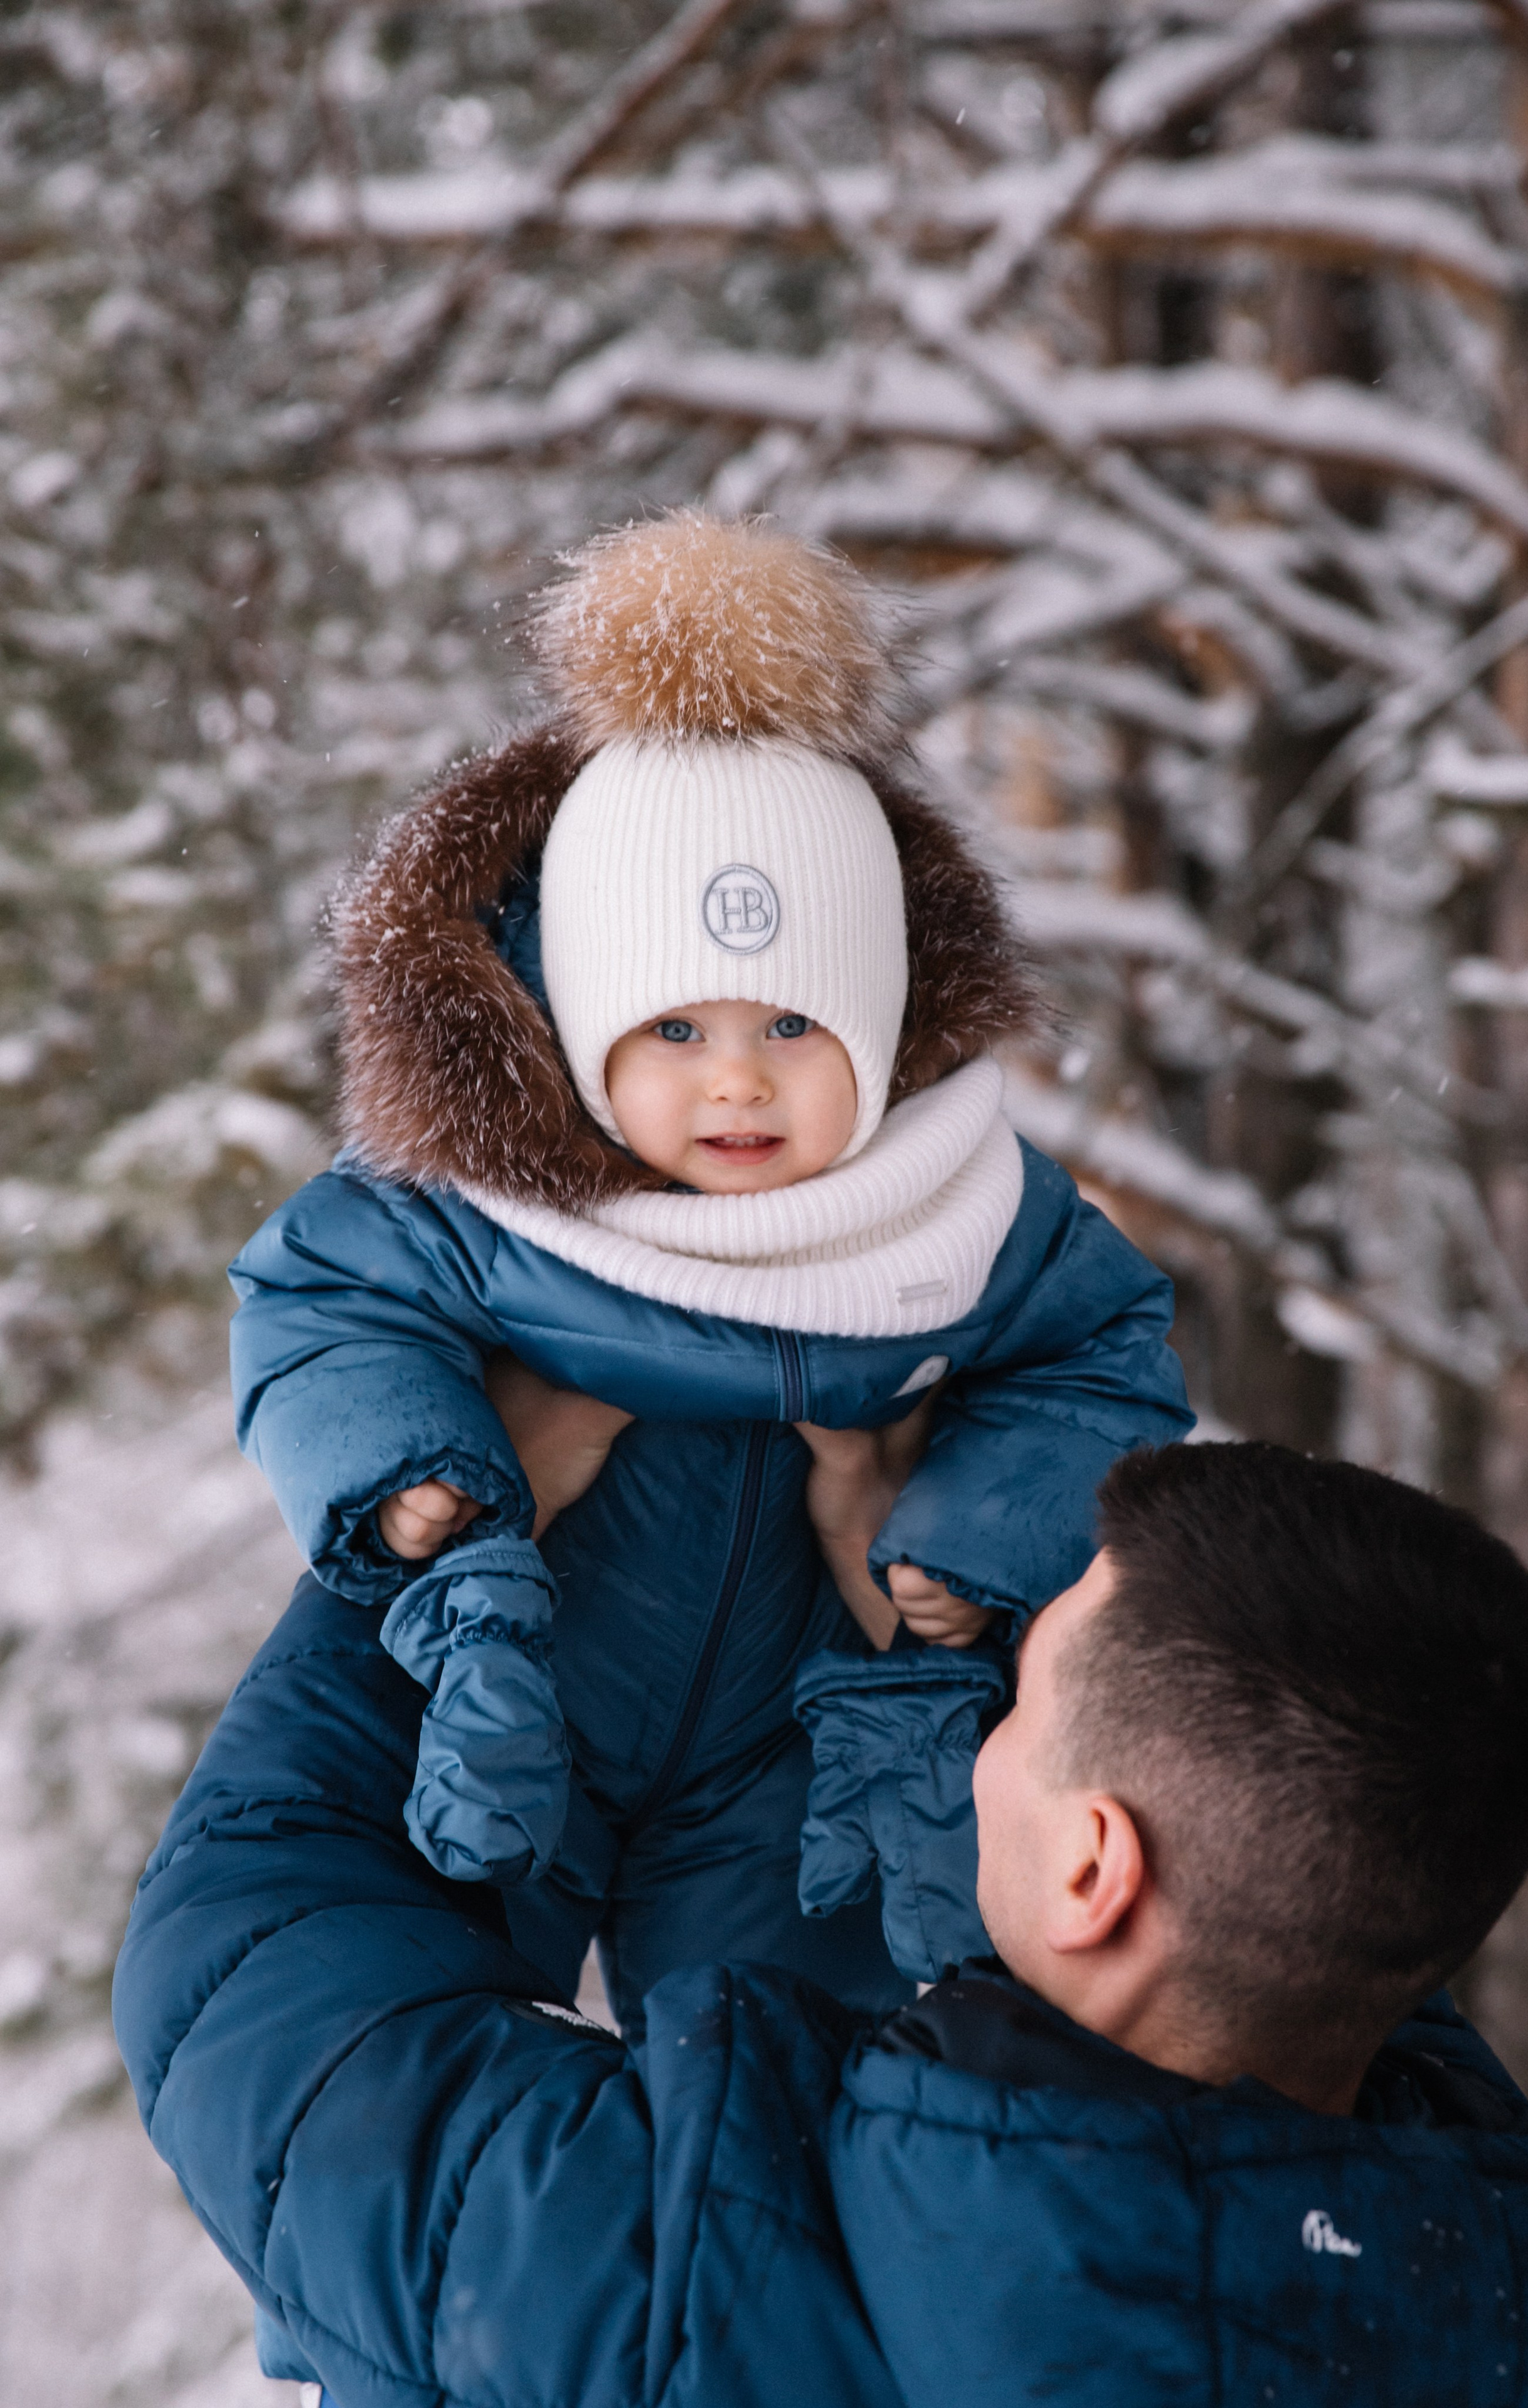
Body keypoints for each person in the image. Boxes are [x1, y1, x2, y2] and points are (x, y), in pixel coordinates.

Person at [226, 511, 1192, 2034]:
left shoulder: (956, 1210)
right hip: (522, 1669)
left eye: (791, 1030)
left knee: (802, 2051)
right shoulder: (483, 1203)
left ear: (874, 1037)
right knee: (439, 2016)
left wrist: (962, 1542)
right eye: (676, 1031)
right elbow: (318, 1302)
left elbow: (1101, 1360)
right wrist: (418, 1464)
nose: (736, 1085)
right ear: (585, 1023)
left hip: (795, 1729)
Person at [114, 1439, 1528, 2405]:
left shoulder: (670, 2278)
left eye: (1019, 1707)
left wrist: (437, 1544)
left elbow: (246, 1979)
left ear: (1098, 1873)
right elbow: (1271, 1888)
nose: (988, 1740)